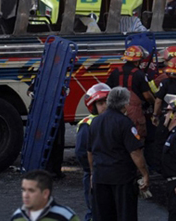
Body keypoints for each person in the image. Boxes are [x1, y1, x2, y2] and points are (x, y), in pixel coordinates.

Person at [87, 86, 149, 221]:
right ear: (125, 104)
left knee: (103, 216)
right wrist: (144, 174)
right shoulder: (125, 123)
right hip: (121, 179)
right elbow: (135, 152)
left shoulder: (94, 122)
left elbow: (90, 152)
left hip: (100, 177)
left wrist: (93, 173)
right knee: (125, 215)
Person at [75, 83, 111, 221]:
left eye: (107, 102)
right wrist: (92, 170)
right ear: (93, 106)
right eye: (100, 103)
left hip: (110, 173)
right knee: (95, 210)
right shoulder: (87, 124)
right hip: (95, 174)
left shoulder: (115, 120)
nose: (105, 106)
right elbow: (81, 152)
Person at [106, 45, 155, 141]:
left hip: (116, 111)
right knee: (136, 139)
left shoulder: (115, 72)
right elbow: (147, 95)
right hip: (134, 113)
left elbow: (107, 90)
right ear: (137, 61)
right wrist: (154, 103)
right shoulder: (139, 74)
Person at [10, 169, 80, 221]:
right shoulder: (17, 217)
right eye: (24, 190)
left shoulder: (65, 216)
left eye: (31, 191)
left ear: (45, 193)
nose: (25, 195)